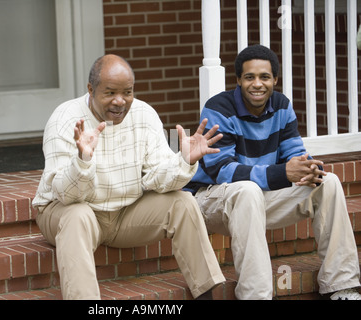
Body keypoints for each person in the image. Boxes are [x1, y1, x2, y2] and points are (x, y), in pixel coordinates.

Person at [32, 54, 226, 300]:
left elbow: (157, 178)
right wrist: (83, 160)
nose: (120, 101)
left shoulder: (144, 115)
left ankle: (207, 293)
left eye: (127, 92)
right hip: (67, 211)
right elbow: (65, 194)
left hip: (125, 213)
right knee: (78, 215)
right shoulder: (65, 119)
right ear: (91, 90)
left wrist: (184, 161)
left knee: (183, 202)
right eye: (110, 93)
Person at [185, 45, 361, 300]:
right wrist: (282, 173)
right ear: (238, 80)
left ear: (275, 80)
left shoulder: (281, 106)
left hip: (257, 199)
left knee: (328, 181)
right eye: (249, 77)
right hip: (212, 202)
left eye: (264, 77)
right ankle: (256, 296)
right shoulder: (219, 108)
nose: (257, 84)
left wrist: (309, 168)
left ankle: (341, 286)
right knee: (247, 189)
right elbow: (224, 171)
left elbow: (295, 154)